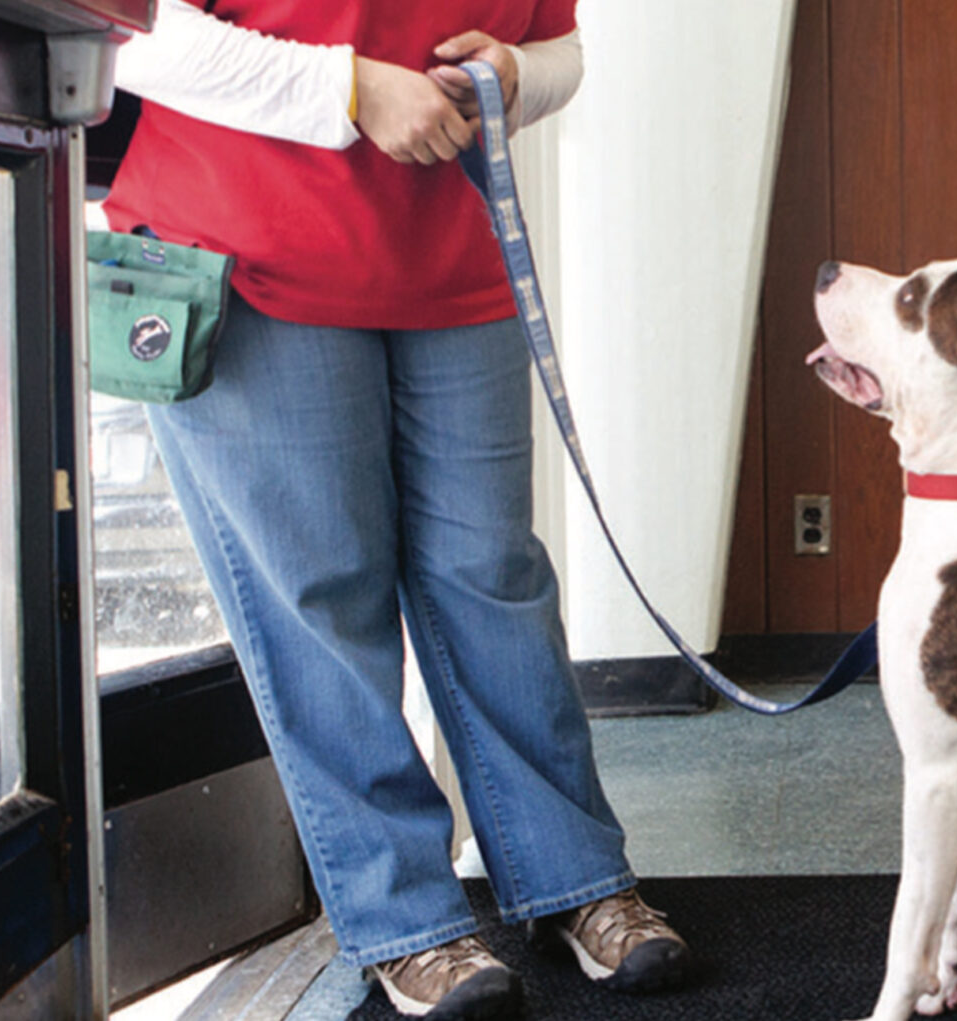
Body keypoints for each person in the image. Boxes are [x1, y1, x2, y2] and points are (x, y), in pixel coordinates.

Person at [104, 3, 691, 1017]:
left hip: (449, 260)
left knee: (495, 576)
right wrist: (351, 89)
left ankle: (574, 876)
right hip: (246, 249)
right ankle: (406, 920)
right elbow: (132, 32)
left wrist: (514, 75)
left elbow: (561, 51)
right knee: (324, 603)